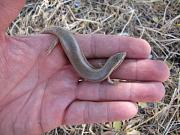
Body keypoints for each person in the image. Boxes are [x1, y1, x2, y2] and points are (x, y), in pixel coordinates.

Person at [0, 0, 170, 135]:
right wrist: (112, 82)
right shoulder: (106, 74)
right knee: (69, 46)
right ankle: (57, 35)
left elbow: (107, 76)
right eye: (119, 58)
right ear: (114, 62)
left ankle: (59, 37)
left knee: (71, 47)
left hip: (88, 68)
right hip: (85, 66)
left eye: (119, 58)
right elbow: (109, 79)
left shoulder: (105, 71)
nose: (120, 57)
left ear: (114, 62)